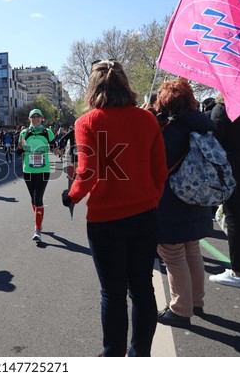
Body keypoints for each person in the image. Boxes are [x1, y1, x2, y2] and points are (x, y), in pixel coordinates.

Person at [62, 60, 167, 357]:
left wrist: (71, 195)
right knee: (143, 290)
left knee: (113, 293)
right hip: (144, 215)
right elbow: (160, 170)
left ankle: (113, 356)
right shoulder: (147, 120)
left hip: (106, 219)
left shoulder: (87, 122)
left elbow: (88, 172)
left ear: (93, 88)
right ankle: (140, 354)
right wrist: (151, 199)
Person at [153, 79, 215, 328]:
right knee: (192, 250)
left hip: (173, 200)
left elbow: (158, 166)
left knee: (173, 254)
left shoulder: (172, 131)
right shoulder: (203, 125)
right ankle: (196, 301)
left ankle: (180, 309)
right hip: (198, 198)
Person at [209, 95, 240, 288]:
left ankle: (237, 272)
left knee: (235, 222)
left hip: (233, 174)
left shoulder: (224, 109)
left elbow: (213, 144)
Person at [17, 109, 58, 242]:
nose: (35, 119)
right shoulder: (24, 133)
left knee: (38, 199)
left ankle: (37, 229)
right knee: (33, 200)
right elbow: (18, 152)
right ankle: (38, 220)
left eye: (38, 117)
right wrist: (19, 147)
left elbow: (54, 147)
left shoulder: (47, 132)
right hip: (28, 170)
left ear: (42, 119)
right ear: (29, 119)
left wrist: (57, 149)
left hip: (43, 170)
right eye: (33, 117)